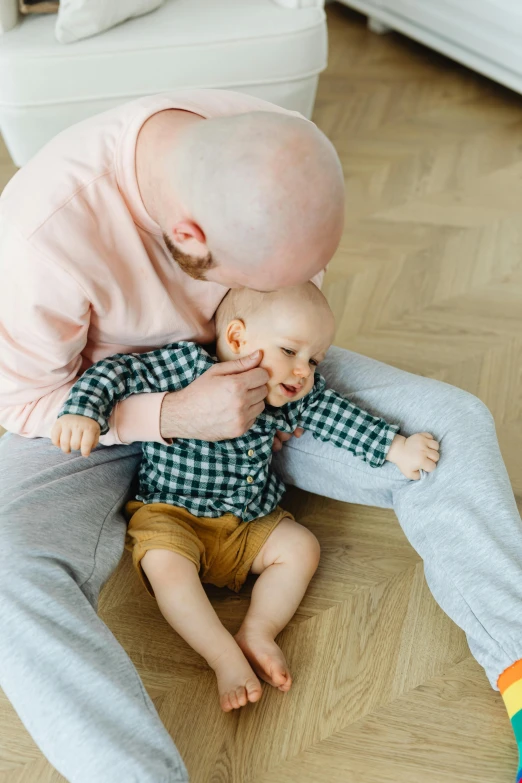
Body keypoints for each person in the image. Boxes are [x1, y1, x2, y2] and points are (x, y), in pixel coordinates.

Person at [0, 89, 521, 783]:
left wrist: (277, 375)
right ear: (189, 238)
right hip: (96, 416)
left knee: (452, 425)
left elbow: (291, 319)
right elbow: (23, 400)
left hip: (263, 384)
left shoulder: (281, 155)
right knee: (7, 569)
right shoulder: (42, 236)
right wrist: (170, 417)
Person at [51, 283, 440, 712]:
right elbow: (117, 372)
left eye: (313, 360)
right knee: (165, 566)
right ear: (238, 339)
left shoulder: (288, 395)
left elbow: (336, 415)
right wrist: (83, 410)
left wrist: (395, 447)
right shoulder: (184, 366)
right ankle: (223, 657)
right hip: (171, 515)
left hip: (248, 521)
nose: (302, 372)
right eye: (290, 352)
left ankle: (258, 631)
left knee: (301, 546)